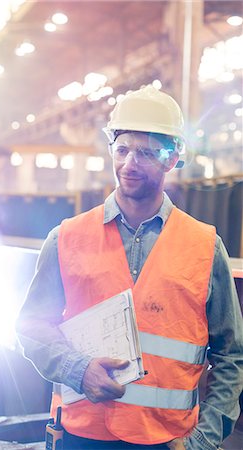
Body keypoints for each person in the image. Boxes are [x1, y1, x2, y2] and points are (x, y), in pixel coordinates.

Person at [16, 85, 243, 450]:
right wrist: (77, 369)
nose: (129, 164)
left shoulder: (204, 246)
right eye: (122, 150)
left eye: (146, 153)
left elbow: (232, 356)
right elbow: (30, 325)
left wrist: (204, 440)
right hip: (80, 436)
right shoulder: (66, 237)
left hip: (168, 441)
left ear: (172, 159)